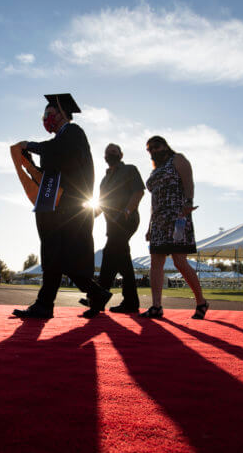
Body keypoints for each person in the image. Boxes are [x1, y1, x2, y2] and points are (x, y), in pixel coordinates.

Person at [12, 94, 111, 319]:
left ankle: (47, 304)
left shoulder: (74, 133)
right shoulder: (63, 139)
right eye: (44, 115)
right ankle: (89, 295)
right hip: (64, 206)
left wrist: (30, 145)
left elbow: (57, 153)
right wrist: (30, 162)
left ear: (63, 113)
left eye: (50, 114)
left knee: (61, 256)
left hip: (71, 206)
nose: (46, 119)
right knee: (59, 256)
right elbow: (53, 166)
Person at [140, 136, 208, 319]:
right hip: (158, 221)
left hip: (177, 216)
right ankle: (156, 306)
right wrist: (149, 226)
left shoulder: (177, 159)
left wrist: (188, 204)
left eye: (156, 146)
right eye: (150, 149)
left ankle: (201, 301)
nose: (154, 151)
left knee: (179, 260)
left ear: (165, 145)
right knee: (156, 262)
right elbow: (153, 201)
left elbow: (188, 181)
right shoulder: (156, 171)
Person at [79, 144, 145, 313]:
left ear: (121, 154)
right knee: (123, 262)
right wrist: (86, 216)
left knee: (109, 254)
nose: (110, 154)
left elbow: (138, 192)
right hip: (112, 225)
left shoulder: (130, 170)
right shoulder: (104, 180)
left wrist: (128, 210)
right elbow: (100, 205)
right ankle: (131, 302)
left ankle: (98, 298)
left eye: (114, 152)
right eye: (108, 153)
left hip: (127, 219)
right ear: (104, 157)